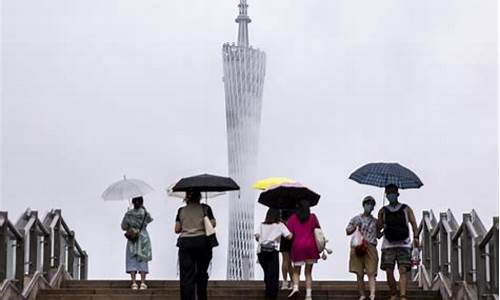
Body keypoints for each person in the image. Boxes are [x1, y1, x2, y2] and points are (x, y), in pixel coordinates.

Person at [377, 184, 419, 300]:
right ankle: (394, 293)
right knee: (389, 271)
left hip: (402, 244)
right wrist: (380, 217)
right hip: (389, 244)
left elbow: (413, 223)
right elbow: (378, 230)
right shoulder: (383, 210)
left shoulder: (406, 208)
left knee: (402, 270)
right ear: (386, 195)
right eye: (389, 193)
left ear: (397, 194)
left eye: (392, 193)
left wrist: (416, 237)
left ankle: (402, 295)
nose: (391, 195)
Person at [175, 191, 216, 300]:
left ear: (187, 198)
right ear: (199, 197)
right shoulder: (206, 208)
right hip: (202, 243)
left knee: (187, 275)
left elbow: (177, 229)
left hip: (186, 243)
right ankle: (202, 296)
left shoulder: (181, 210)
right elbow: (213, 224)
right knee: (202, 272)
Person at [255, 208, 293, 299]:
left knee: (267, 274)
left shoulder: (261, 225)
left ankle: (268, 293)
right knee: (273, 276)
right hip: (272, 252)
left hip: (261, 252)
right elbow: (289, 236)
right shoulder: (280, 225)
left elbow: (257, 237)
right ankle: (271, 296)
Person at [287, 200, 321, 300]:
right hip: (311, 247)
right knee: (308, 272)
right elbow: (318, 230)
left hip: (298, 247)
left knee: (296, 271)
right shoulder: (313, 217)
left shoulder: (292, 218)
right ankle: (308, 295)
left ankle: (296, 288)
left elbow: (290, 234)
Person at [346, 196, 379, 300]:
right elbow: (347, 231)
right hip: (358, 246)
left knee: (371, 272)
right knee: (359, 272)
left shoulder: (375, 221)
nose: (369, 206)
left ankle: (372, 294)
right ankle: (362, 295)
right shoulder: (356, 218)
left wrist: (383, 228)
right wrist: (356, 226)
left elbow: (378, 235)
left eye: (371, 204)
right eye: (367, 204)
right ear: (363, 205)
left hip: (371, 246)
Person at [121, 196, 153, 290]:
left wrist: (127, 215)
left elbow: (123, 226)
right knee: (143, 259)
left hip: (132, 238)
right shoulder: (145, 213)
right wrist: (144, 209)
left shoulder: (128, 214)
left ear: (133, 202)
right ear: (142, 202)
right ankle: (143, 283)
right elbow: (150, 220)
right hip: (143, 237)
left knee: (132, 259)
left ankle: (134, 283)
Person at [279, 208, 295, 290]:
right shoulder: (295, 208)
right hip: (292, 236)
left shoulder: (280, 208)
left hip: (283, 236)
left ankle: (285, 282)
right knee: (290, 262)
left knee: (285, 260)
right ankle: (292, 282)